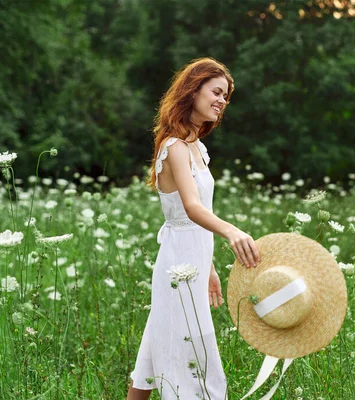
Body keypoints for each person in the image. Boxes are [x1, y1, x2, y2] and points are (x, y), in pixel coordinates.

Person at [126, 57, 261, 400]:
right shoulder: (173, 146)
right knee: (187, 360)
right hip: (176, 266)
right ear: (193, 89)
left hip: (194, 265)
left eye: (226, 96)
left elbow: (199, 216)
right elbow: (191, 208)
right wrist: (232, 232)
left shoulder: (197, 148)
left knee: (153, 359)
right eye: (216, 91)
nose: (222, 101)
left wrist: (210, 267)